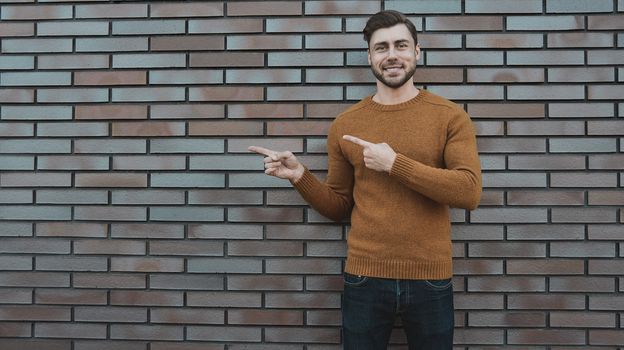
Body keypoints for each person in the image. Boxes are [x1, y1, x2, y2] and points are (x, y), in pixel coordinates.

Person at [249, 10, 481, 350]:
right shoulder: (346, 124)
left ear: (417, 52)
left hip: (430, 278)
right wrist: (300, 177)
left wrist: (394, 164)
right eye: (381, 47)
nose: (392, 55)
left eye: (401, 45)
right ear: (370, 56)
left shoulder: (450, 116)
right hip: (365, 278)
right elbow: (339, 206)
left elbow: (468, 191)